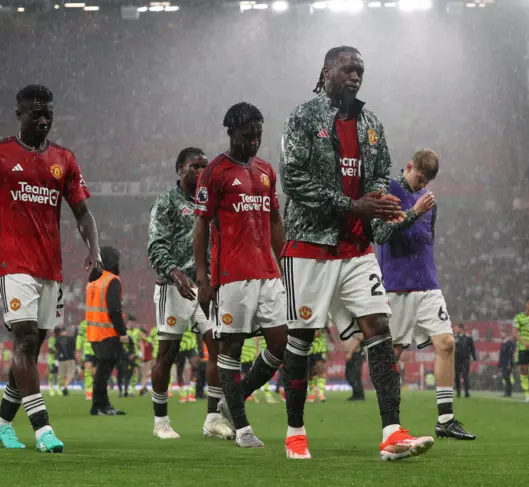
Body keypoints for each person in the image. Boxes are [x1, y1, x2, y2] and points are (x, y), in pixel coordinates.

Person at [279, 46, 434, 460]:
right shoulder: (303, 117)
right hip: (309, 247)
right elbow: (292, 178)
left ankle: (392, 431)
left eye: (360, 70)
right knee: (302, 339)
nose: (355, 75)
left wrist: (377, 202)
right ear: (327, 71)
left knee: (379, 330)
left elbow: (382, 171)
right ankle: (295, 431)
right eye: (348, 68)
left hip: (356, 248)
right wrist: (351, 205)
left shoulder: (371, 123)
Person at [0, 84, 103, 453]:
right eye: (35, 112)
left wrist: (94, 250)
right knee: (24, 340)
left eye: (48, 111)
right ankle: (42, 429)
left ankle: (2, 423)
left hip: (50, 268)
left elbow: (82, 212)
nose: (43, 118)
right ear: (18, 114)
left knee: (33, 351)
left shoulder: (64, 159)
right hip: (13, 264)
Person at [194, 102, 288, 449]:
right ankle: (244, 429)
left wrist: (284, 263)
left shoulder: (265, 170)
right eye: (248, 135)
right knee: (230, 349)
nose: (254, 142)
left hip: (267, 272)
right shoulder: (215, 172)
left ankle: (234, 400)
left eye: (259, 135)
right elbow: (201, 224)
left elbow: (275, 219)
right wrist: (203, 278)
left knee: (281, 344)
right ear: (232, 132)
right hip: (232, 275)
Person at [373, 149, 475, 440]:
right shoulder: (389, 190)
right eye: (420, 177)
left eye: (427, 180)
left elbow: (428, 237)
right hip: (397, 284)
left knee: (446, 343)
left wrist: (421, 210)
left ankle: (445, 420)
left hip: (428, 284)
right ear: (408, 166)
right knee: (393, 353)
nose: (422, 185)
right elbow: (380, 235)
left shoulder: (431, 201)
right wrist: (413, 212)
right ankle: (392, 425)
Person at [147, 146, 233, 440]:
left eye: (204, 167)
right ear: (179, 168)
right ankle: (161, 421)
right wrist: (175, 272)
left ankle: (212, 419)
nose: (201, 172)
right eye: (195, 166)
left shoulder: (210, 204)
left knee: (218, 350)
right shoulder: (166, 202)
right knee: (167, 355)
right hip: (174, 287)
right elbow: (156, 245)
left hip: (206, 287)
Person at [85, 246, 127, 416]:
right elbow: (115, 310)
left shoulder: (93, 280)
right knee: (104, 372)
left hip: (94, 333)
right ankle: (102, 405)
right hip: (108, 333)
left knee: (101, 371)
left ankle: (98, 405)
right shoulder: (112, 280)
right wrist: (122, 332)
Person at [512, 299, 529, 402]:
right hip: (523, 348)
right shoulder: (519, 317)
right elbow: (515, 333)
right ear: (526, 305)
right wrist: (523, 342)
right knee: (524, 371)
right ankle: (527, 394)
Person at [307, 326, 332, 403]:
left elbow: (317, 333)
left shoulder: (320, 321)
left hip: (320, 349)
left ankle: (321, 393)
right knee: (310, 373)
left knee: (320, 369)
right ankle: (311, 393)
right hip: (309, 349)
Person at [454, 324, 476, 399]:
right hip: (456, 359)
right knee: (457, 376)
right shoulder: (454, 337)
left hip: (465, 359)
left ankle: (466, 392)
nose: (455, 330)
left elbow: (472, 348)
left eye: (456, 328)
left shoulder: (468, 338)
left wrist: (474, 357)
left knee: (465, 375)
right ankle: (458, 392)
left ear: (461, 329)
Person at [76, 319, 96, 401]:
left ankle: (95, 391)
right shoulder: (84, 323)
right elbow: (80, 336)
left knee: (95, 373)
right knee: (88, 370)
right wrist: (78, 349)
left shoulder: (99, 321)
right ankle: (88, 393)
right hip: (88, 350)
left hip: (98, 349)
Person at [54, 326, 76, 396]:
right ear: (66, 331)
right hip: (70, 359)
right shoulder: (72, 339)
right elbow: (74, 349)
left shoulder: (57, 339)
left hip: (61, 360)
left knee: (62, 375)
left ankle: (64, 387)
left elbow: (56, 350)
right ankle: (65, 387)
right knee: (70, 374)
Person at [345, 334, 365, 401]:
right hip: (354, 354)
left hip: (357, 354)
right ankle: (356, 394)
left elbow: (358, 340)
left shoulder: (357, 330)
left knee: (356, 375)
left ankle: (359, 395)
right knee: (349, 375)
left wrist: (350, 353)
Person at [498, 330, 516, 398]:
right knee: (505, 377)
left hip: (507, 363)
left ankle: (508, 392)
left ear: (506, 334)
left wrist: (509, 363)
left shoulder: (510, 343)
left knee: (506, 377)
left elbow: (510, 354)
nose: (501, 335)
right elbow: (502, 354)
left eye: (502, 333)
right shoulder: (503, 343)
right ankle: (507, 392)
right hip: (503, 363)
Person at [47, 332, 61, 397]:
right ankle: (51, 389)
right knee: (51, 374)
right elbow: (50, 350)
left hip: (59, 360)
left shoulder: (62, 339)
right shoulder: (52, 339)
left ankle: (58, 389)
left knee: (59, 375)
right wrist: (58, 351)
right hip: (52, 360)